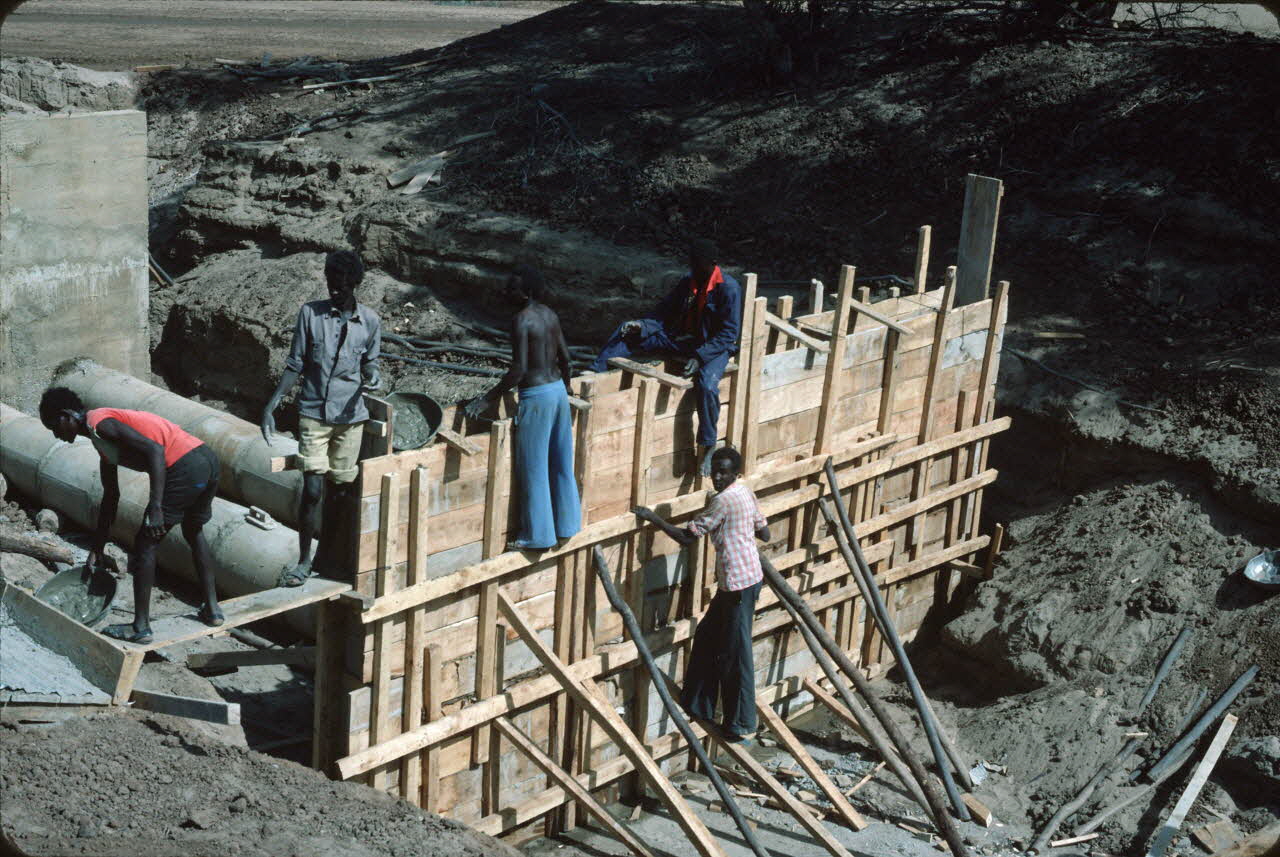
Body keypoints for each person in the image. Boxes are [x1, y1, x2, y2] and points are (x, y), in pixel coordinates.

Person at [39, 387, 224, 644]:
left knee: (146, 543)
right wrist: (98, 546)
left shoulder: (99, 423)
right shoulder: (102, 442)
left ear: (65, 416)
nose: (57, 436)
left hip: (185, 467)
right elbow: (111, 496)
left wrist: (156, 506)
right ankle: (213, 611)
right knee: (193, 530)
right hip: (206, 460)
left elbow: (156, 451)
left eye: (53, 427)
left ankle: (141, 627)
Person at [633, 446, 769, 742]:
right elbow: (765, 532)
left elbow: (686, 537)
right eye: (715, 471)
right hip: (746, 579)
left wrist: (651, 517)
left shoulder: (722, 501)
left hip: (737, 585)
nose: (717, 477)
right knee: (708, 635)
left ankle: (741, 724)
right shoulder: (745, 492)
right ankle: (699, 703)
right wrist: (739, 532)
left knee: (735, 653)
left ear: (736, 474)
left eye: (724, 472)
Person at [261, 249, 381, 586]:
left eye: (340, 285)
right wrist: (270, 405)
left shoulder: (370, 321)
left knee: (341, 492)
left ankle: (331, 558)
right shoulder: (310, 315)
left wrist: (373, 374)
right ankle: (303, 561)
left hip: (349, 417)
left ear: (354, 283)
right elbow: (295, 364)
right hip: (314, 413)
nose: (333, 290)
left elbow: (371, 361)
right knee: (313, 490)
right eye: (330, 283)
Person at [591, 239, 742, 476]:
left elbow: (729, 333)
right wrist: (642, 325)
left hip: (714, 348)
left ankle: (708, 443)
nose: (693, 268)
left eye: (698, 264)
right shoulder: (688, 282)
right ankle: (595, 373)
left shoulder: (728, 288)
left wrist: (701, 357)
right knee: (627, 332)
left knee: (707, 384)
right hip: (684, 340)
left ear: (712, 264)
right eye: (691, 263)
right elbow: (663, 312)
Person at [464, 266, 581, 551]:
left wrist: (487, 398)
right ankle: (567, 525)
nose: (507, 292)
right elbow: (566, 358)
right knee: (562, 461)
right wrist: (566, 387)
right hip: (556, 393)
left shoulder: (521, 320)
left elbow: (519, 370)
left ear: (526, 292)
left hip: (537, 397)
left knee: (534, 466)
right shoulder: (549, 314)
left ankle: (538, 536)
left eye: (512, 288)